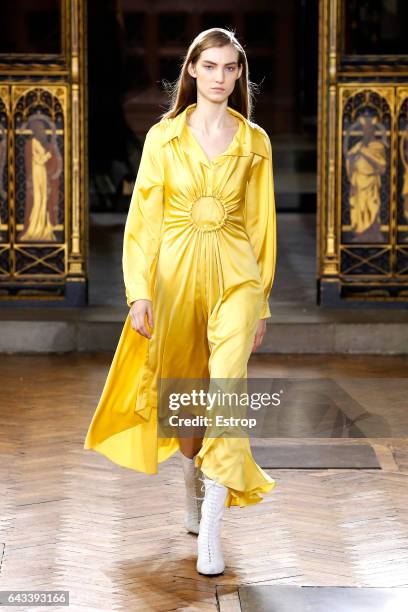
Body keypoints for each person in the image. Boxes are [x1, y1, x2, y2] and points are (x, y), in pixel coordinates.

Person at [84, 27, 277, 576]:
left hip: (236, 276)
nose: (220, 78)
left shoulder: (253, 141)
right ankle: (194, 479)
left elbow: (262, 226)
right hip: (173, 276)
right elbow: (142, 220)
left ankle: (212, 528)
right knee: (187, 394)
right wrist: (138, 292)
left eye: (230, 68)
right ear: (192, 70)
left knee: (227, 388)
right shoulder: (162, 139)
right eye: (210, 66)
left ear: (239, 75)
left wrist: (261, 301)